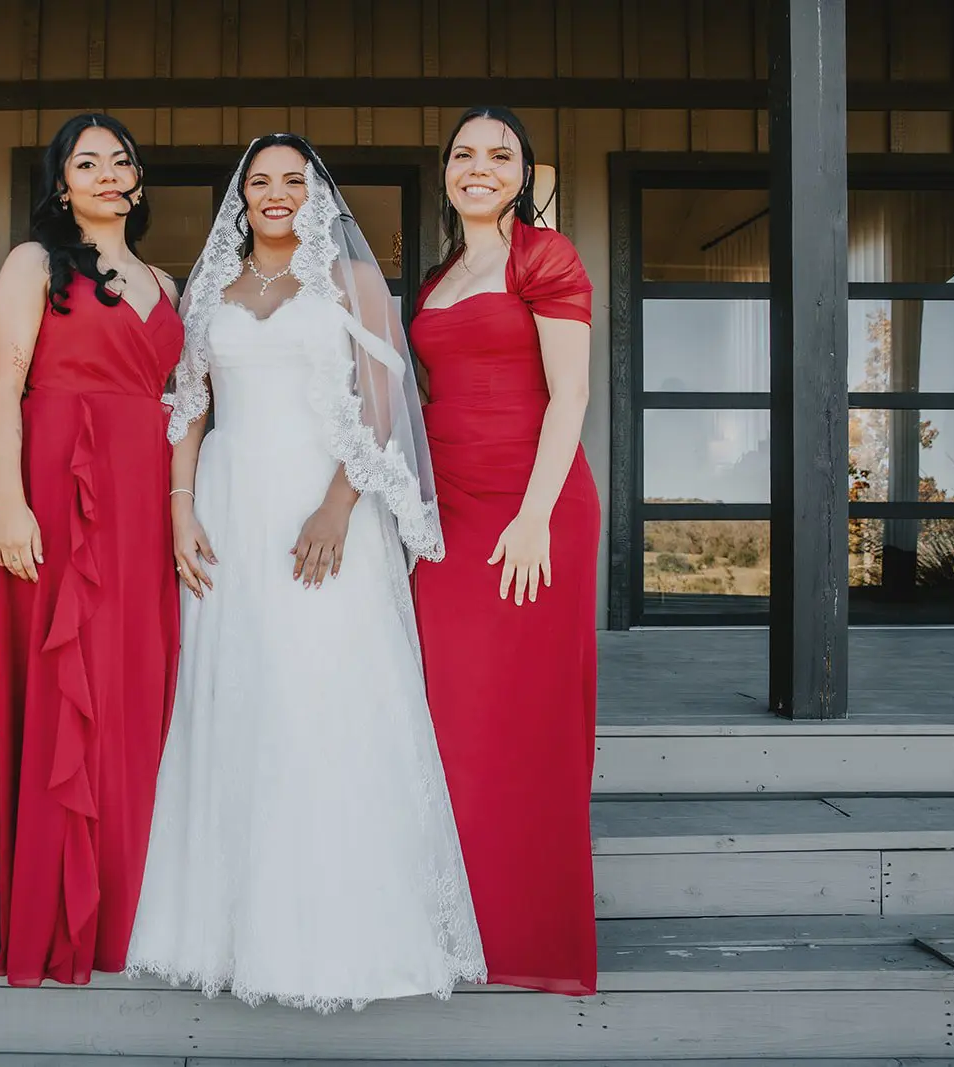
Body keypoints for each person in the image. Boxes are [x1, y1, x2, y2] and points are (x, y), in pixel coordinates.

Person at [123, 134, 485, 1013]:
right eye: (260, 182)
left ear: (317, 195)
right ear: (239, 197)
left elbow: (384, 403)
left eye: (294, 180)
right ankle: (222, 924)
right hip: (228, 511)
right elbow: (191, 407)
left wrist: (337, 504)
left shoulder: (352, 282)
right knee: (235, 696)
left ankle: (337, 929)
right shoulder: (209, 287)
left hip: (324, 511)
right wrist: (179, 505)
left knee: (320, 696)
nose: (276, 194)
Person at [0, 113, 184, 986]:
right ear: (61, 184)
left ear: (137, 181)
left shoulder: (167, 279)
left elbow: (183, 400)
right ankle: (58, 917)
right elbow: (3, 392)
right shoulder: (32, 264)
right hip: (57, 486)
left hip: (143, 495)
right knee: (68, 684)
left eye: (118, 160)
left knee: (134, 682)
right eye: (82, 162)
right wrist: (10, 505)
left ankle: (135, 905)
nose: (103, 172)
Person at [410, 106, 601, 997]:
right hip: (446, 514)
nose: (478, 168)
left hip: (531, 513)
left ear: (523, 173)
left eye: (499, 155)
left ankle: (530, 936)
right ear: (445, 171)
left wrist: (534, 515)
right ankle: (456, 923)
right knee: (452, 717)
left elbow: (569, 398)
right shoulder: (440, 276)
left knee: (526, 722)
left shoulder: (544, 258)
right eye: (463, 154)